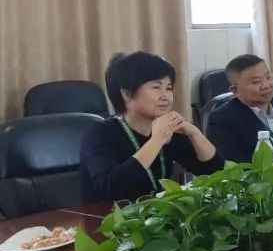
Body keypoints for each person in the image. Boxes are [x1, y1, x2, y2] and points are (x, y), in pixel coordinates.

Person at [80, 52, 223, 201]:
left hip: (156, 213)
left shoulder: (166, 130)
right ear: (127, 94)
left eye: (168, 88)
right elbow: (110, 187)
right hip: (110, 215)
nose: (165, 96)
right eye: (156, 87)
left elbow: (216, 173)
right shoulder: (99, 134)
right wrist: (157, 140)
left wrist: (194, 133)